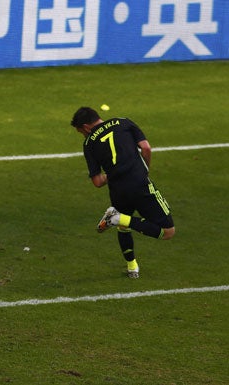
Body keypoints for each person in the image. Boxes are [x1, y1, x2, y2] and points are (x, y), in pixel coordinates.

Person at [70, 106, 175, 278]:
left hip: (118, 190)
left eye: (81, 132)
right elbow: (146, 148)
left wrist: (113, 173)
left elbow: (97, 181)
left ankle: (132, 266)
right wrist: (144, 169)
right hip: (140, 184)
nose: (83, 135)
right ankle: (117, 217)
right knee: (168, 231)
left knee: (124, 227)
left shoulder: (88, 144)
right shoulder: (123, 122)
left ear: (86, 127)